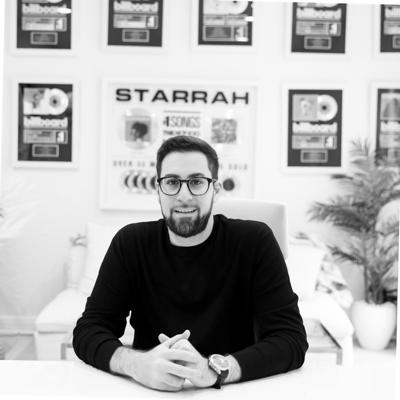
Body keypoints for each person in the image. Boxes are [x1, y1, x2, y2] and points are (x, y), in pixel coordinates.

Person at [73, 135, 308, 392]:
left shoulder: (255, 241)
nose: (183, 196)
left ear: (215, 190)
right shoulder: (131, 243)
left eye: (196, 182)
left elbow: (291, 339)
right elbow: (89, 330)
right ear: (158, 190)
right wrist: (136, 364)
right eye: (172, 182)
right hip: (151, 391)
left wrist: (213, 370)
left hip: (234, 390)